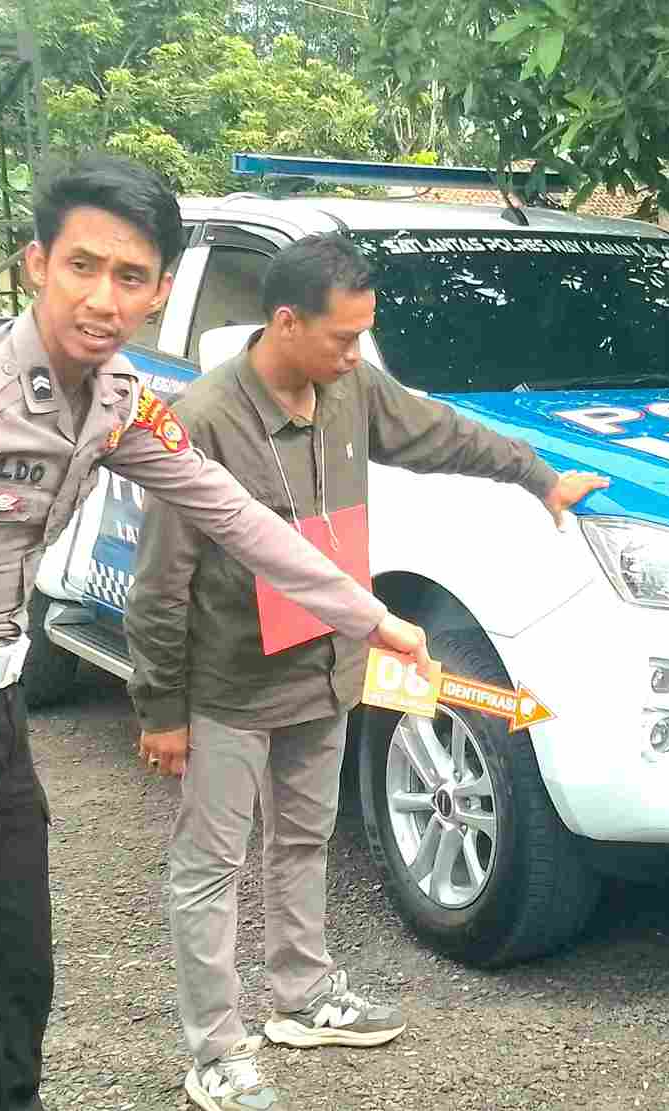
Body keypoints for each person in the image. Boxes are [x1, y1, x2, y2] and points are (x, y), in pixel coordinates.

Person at [0, 154, 433, 1111]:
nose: (102, 298)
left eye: (129, 276)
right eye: (82, 266)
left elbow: (238, 517)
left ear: (158, 291)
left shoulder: (117, 399)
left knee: (19, 975)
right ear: (38, 264)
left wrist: (373, 618)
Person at [123, 233, 609, 1111]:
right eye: (343, 337)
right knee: (210, 865)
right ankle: (216, 1049)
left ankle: (303, 996)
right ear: (285, 322)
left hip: (325, 667)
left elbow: (443, 432)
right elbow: (159, 582)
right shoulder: (202, 421)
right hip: (230, 683)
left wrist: (536, 476)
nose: (355, 354)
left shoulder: (351, 388)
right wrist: (161, 707)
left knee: (303, 837)